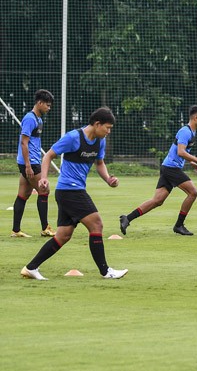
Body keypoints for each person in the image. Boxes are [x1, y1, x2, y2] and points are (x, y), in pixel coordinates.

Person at [20, 107, 128, 280]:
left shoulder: (100, 141)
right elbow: (48, 156)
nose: (109, 132)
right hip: (70, 190)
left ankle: (31, 268)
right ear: (97, 124)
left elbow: (99, 163)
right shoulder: (73, 137)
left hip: (72, 191)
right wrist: (44, 178)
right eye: (107, 128)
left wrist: (108, 179)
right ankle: (106, 271)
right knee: (97, 224)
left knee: (63, 236)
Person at [120, 105, 197, 236]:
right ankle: (179, 225)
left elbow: (180, 151)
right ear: (196, 118)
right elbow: (180, 152)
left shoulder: (192, 132)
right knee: (193, 192)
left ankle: (127, 218)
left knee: (157, 200)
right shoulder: (185, 131)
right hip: (171, 168)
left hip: (168, 167)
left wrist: (191, 162)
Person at [11, 89, 55, 238]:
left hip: (31, 161)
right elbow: (24, 143)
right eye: (47, 105)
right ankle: (45, 228)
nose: (49, 108)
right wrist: (28, 165)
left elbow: (34, 143)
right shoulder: (30, 119)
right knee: (44, 190)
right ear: (39, 103)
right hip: (30, 163)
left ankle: (16, 230)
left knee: (23, 194)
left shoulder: (39, 119)